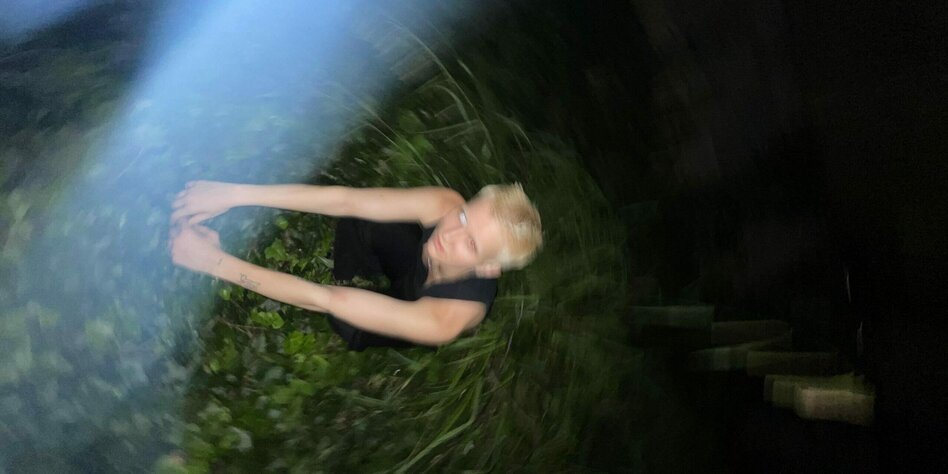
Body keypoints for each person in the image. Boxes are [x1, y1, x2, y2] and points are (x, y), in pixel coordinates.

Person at [169, 181, 542, 349]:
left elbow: (325, 298)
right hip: (413, 265)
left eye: (471, 243)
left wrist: (213, 262)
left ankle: (363, 323)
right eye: (463, 216)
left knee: (347, 321)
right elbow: (346, 200)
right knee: (359, 223)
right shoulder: (444, 204)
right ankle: (357, 274)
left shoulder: (444, 320)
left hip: (421, 305)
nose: (450, 233)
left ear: (489, 268)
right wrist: (232, 194)